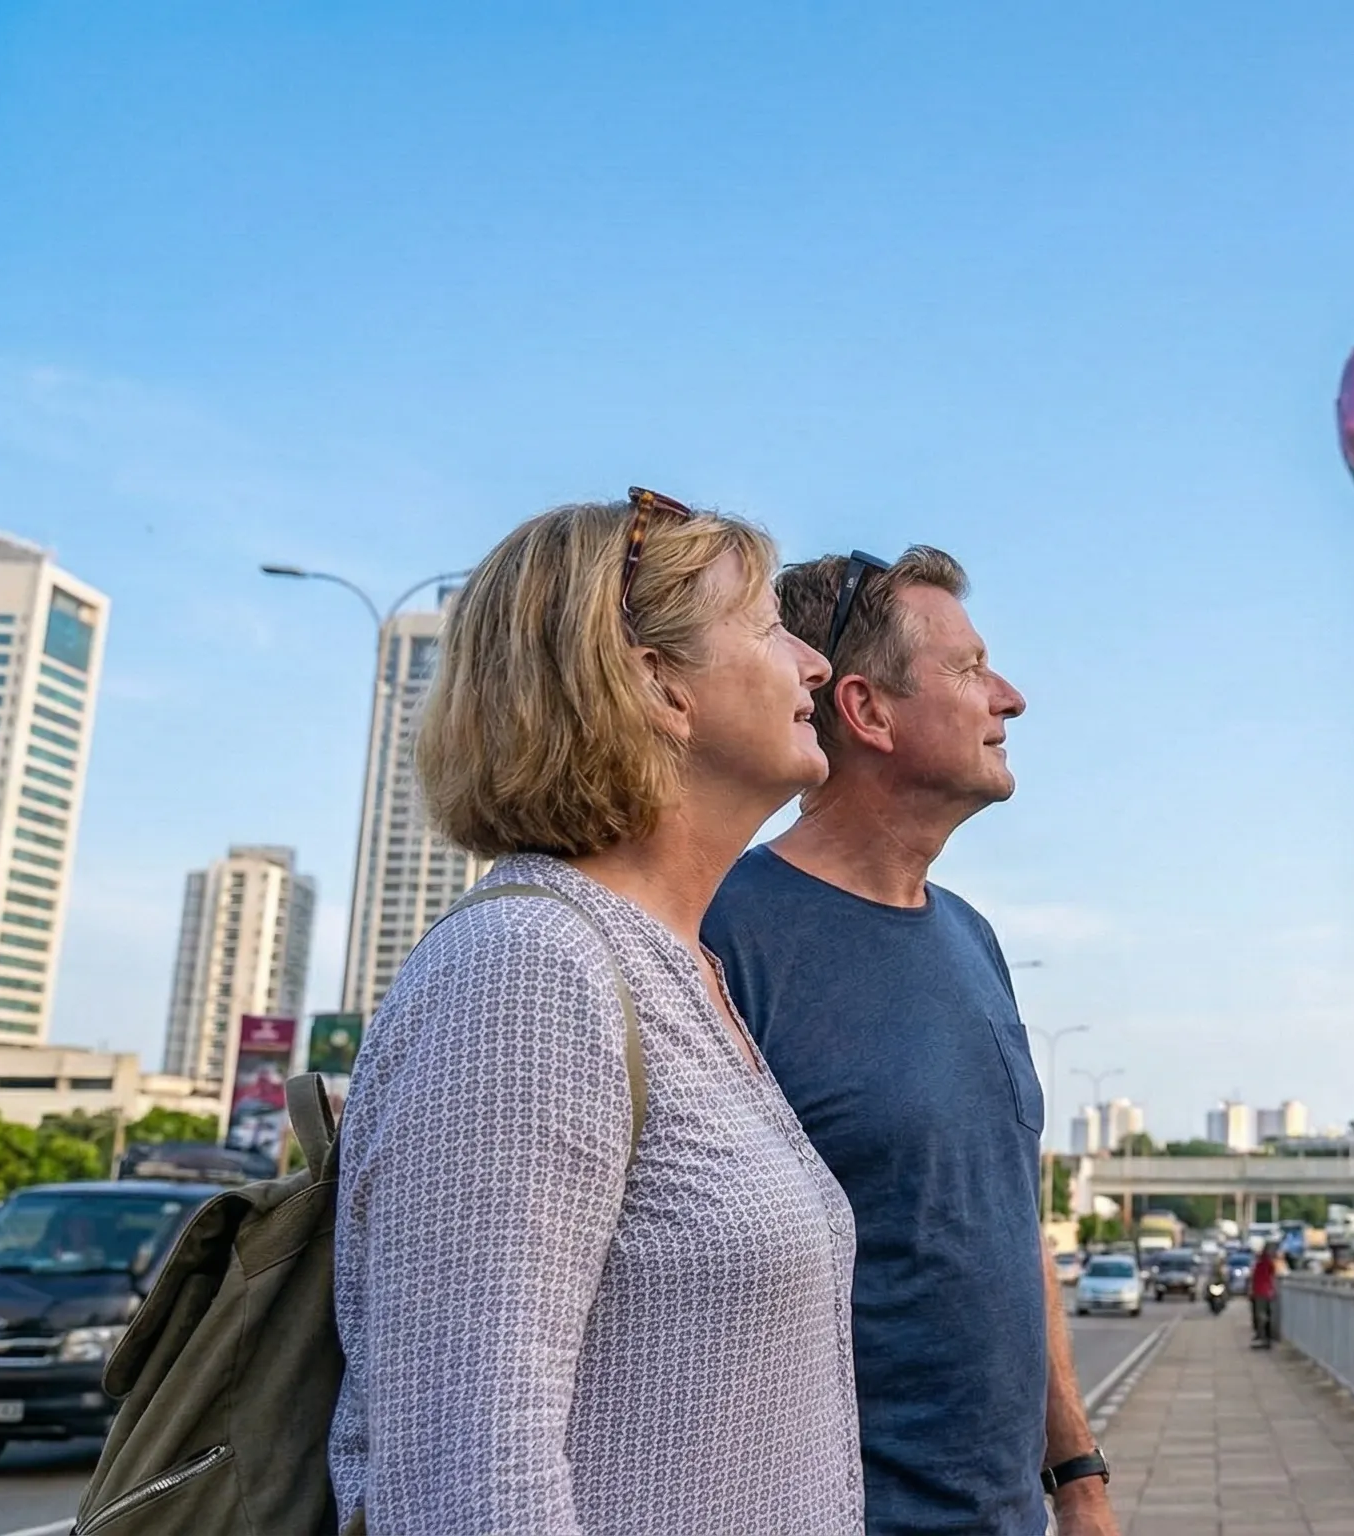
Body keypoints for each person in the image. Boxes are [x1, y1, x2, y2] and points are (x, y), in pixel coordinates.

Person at [330, 491, 862, 1533]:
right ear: (657, 683)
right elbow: (468, 1485)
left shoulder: (669, 965)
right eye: (768, 628)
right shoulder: (527, 971)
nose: (813, 665)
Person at [703, 546, 1116, 1536]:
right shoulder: (720, 935)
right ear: (867, 711)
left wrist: (1078, 1476)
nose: (1009, 698)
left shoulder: (973, 939)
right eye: (969, 669)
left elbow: (1011, 1222)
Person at [1247, 1241, 1280, 1348]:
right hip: (1265, 1291)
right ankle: (1265, 1337)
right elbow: (1272, 1275)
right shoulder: (1268, 1263)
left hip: (1259, 1291)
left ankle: (1263, 1336)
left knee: (1261, 1314)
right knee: (1264, 1314)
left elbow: (1254, 1277)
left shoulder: (1260, 1262)